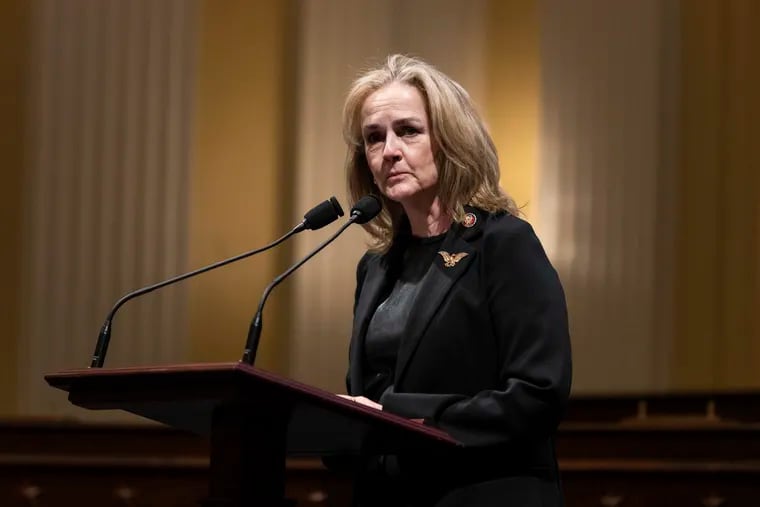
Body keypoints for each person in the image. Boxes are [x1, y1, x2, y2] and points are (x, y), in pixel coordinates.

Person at [340, 54, 572, 507]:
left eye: (408, 131)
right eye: (373, 137)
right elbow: (367, 395)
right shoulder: (376, 267)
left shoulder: (503, 244)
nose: (389, 150)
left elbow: (538, 395)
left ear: (449, 141)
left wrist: (400, 415)